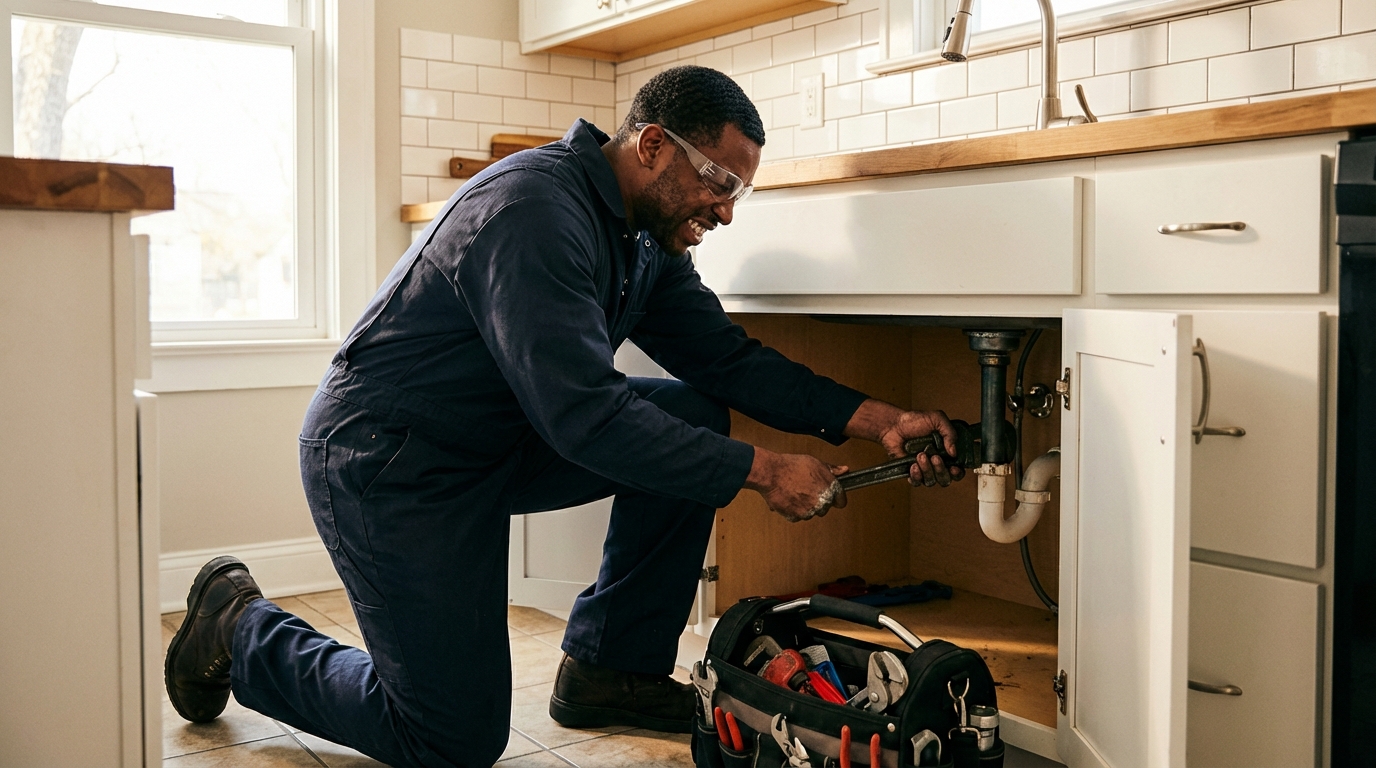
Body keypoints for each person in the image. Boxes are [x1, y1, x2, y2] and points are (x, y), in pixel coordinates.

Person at [163, 65, 962, 767]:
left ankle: (610, 669)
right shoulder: (533, 212)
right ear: (652, 145)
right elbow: (587, 417)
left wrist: (879, 418)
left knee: (692, 410)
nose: (726, 211)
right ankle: (238, 629)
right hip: (390, 462)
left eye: (738, 191)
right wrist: (762, 472)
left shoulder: (643, 240)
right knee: (451, 738)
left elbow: (727, 359)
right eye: (719, 181)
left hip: (495, 442)